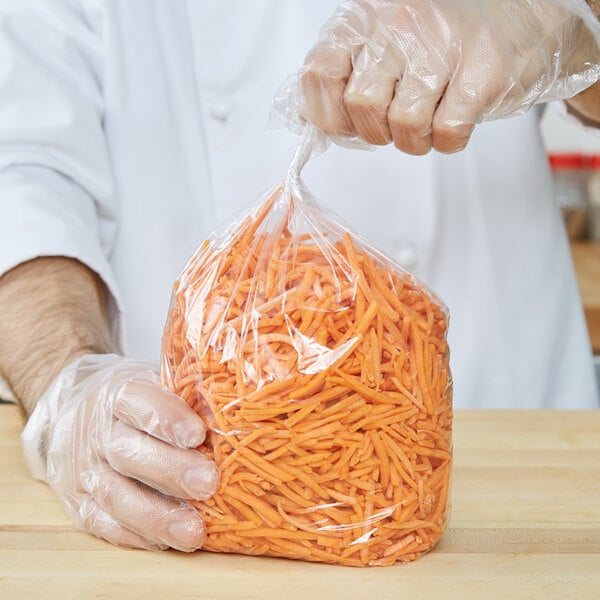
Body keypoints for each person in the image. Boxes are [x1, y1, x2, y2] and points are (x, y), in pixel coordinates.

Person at [0, 0, 599, 553]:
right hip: (187, 469)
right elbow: (20, 174)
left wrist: (561, 20)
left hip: (532, 452)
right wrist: (70, 382)